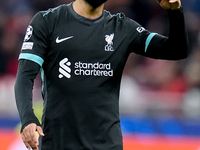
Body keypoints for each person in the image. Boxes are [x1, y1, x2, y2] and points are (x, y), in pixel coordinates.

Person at [14, 0, 189, 149]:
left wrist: (175, 12)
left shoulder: (122, 28)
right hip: (58, 143)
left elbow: (176, 50)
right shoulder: (47, 21)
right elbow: (24, 76)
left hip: (106, 145)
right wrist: (28, 118)